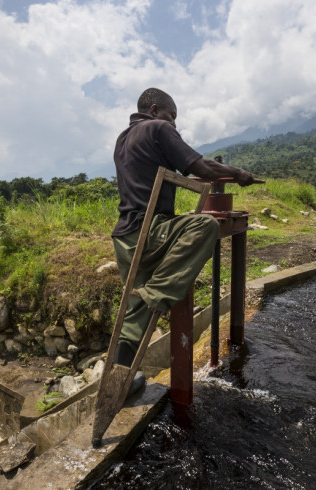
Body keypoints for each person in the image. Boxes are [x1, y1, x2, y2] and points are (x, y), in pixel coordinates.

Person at [111, 87, 254, 368]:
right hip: (151, 230)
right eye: (171, 115)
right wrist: (238, 173)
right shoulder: (158, 129)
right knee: (204, 226)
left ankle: (120, 378)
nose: (174, 123)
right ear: (154, 111)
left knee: (135, 313)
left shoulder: (122, 138)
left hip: (125, 236)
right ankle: (157, 293)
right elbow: (201, 167)